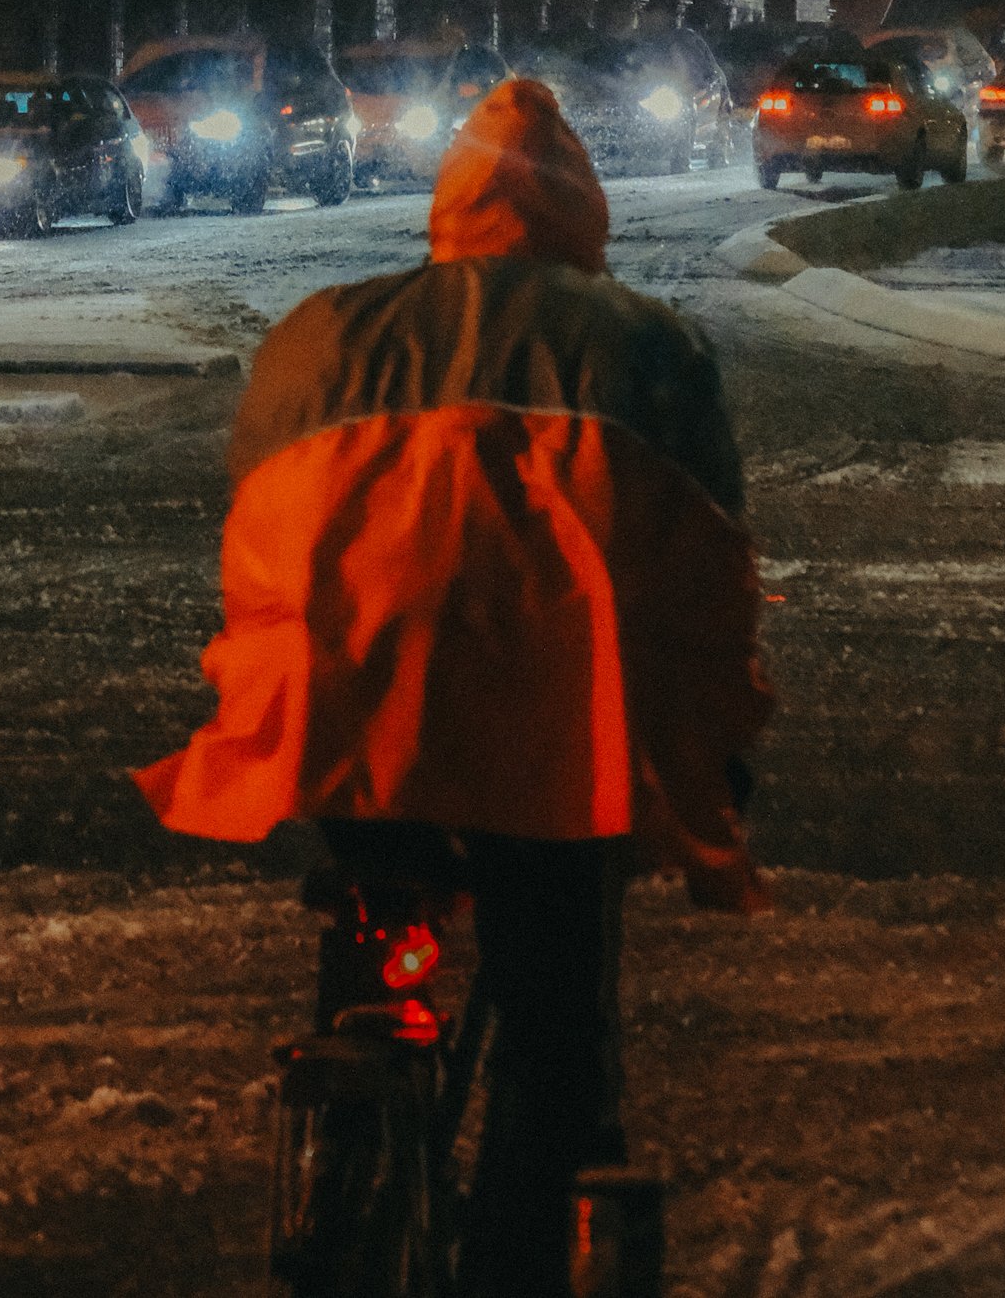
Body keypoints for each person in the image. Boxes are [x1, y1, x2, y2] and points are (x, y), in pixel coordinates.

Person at [136, 73, 769, 1293]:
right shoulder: (644, 347)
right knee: (553, 1036)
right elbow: (705, 574)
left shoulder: (325, 329)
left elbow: (259, 534)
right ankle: (515, 1263)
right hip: (550, 745)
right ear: (582, 217)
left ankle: (352, 1103)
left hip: (342, 715)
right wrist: (712, 757)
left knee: (382, 905)